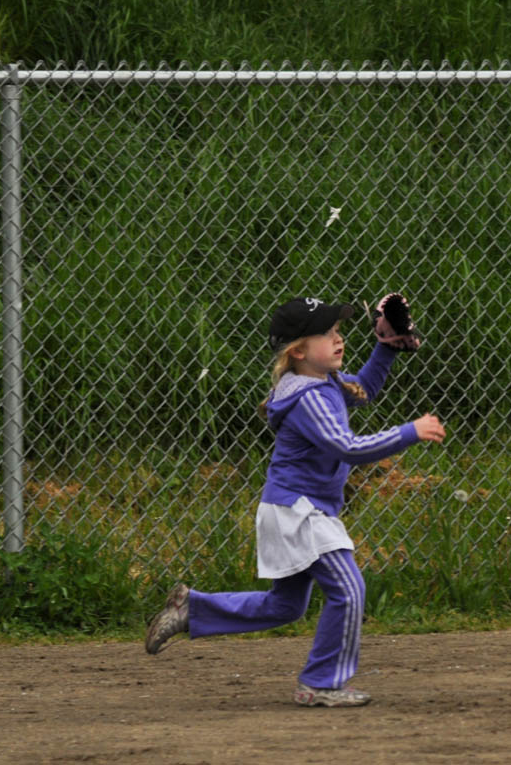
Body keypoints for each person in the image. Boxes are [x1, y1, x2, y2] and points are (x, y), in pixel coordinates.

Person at [145, 296, 445, 707]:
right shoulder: (309, 399)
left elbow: (365, 388)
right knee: (349, 589)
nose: (339, 339)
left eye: (339, 331)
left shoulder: (324, 385)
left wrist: (386, 347)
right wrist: (409, 431)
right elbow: (348, 447)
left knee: (284, 606)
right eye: (327, 333)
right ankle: (321, 683)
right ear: (298, 351)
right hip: (299, 511)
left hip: (293, 508)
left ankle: (191, 610)